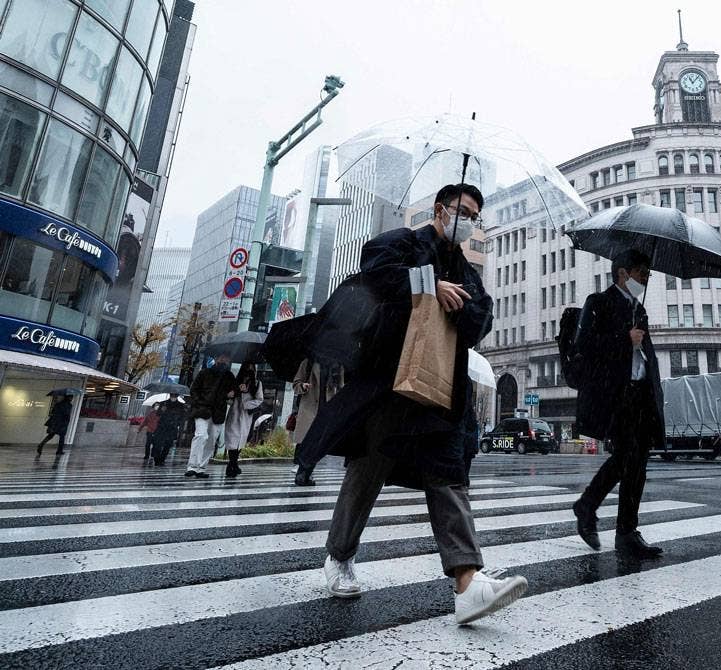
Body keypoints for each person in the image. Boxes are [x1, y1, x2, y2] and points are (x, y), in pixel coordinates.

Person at [296, 184, 528, 625]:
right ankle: (339, 555)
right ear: (441, 210)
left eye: (475, 216)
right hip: (390, 380)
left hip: (440, 388)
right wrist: (428, 286)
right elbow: (375, 273)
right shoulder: (403, 243)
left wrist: (458, 304)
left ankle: (467, 582)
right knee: (369, 470)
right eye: (464, 211)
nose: (469, 222)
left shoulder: (465, 268)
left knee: (447, 475)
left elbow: (482, 318)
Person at [571, 249, 666, 559]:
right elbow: (583, 346)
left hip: (641, 395)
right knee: (627, 457)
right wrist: (624, 339)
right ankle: (594, 509)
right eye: (642, 275)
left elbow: (644, 357)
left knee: (637, 462)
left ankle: (625, 531)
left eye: (648, 276)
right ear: (624, 274)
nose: (646, 281)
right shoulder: (598, 303)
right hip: (615, 396)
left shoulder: (639, 310)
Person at [186, 354, 237, 478]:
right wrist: (198, 402)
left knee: (211, 440)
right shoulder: (205, 373)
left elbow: (234, 392)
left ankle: (201, 468)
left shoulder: (229, 376)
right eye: (221, 357)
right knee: (200, 436)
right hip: (202, 410)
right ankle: (192, 466)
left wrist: (233, 393)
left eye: (226, 358)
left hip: (218, 412)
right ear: (216, 359)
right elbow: (194, 389)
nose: (223, 359)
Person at [291, 358, 337, 485]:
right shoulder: (308, 362)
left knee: (319, 444)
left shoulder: (338, 364)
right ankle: (302, 474)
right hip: (310, 408)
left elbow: (341, 388)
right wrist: (303, 386)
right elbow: (295, 384)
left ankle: (306, 474)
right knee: (307, 442)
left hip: (327, 409)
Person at [223, 363, 264, 478]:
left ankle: (232, 465)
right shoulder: (235, 381)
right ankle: (233, 464)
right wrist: (232, 395)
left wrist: (246, 399)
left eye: (252, 368)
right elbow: (229, 398)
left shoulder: (257, 383)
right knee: (232, 439)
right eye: (247, 367)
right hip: (234, 413)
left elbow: (259, 399)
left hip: (246, 414)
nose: (249, 370)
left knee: (241, 439)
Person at [152, 394, 186, 465]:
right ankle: (156, 459)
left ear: (177, 396)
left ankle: (162, 459)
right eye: (172, 395)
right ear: (170, 395)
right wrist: (162, 409)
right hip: (161, 427)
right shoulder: (163, 403)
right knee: (158, 444)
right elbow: (158, 414)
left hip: (172, 428)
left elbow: (183, 417)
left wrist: (178, 423)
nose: (173, 397)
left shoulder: (181, 405)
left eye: (175, 396)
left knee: (167, 445)